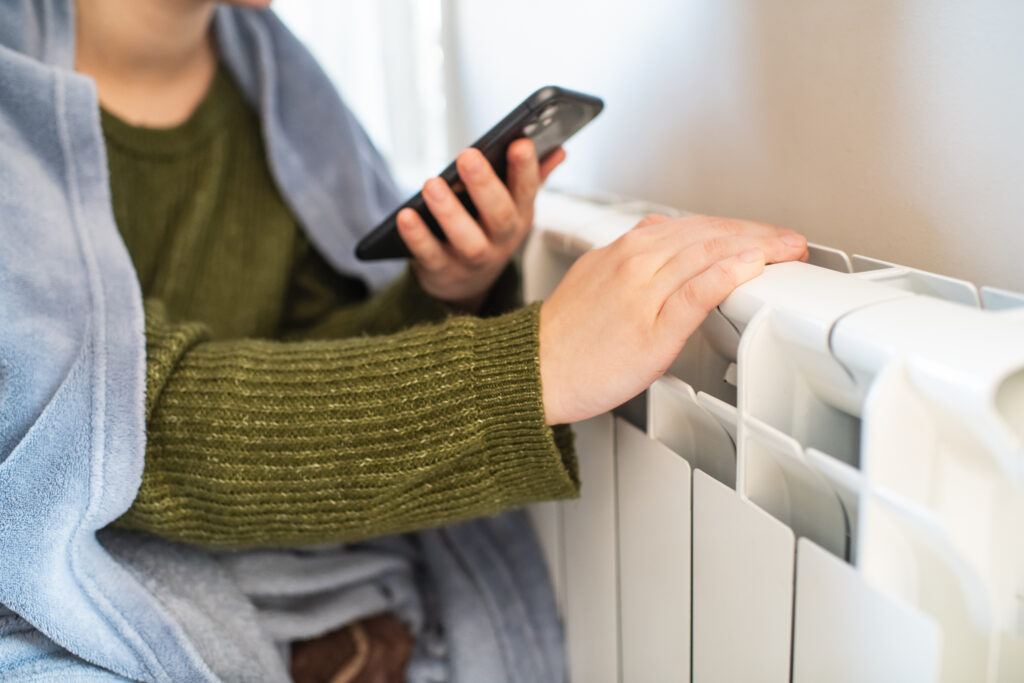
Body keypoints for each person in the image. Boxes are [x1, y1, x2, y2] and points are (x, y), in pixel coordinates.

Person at [0, 0, 808, 680]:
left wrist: (441, 290)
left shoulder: (276, 81)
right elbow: (117, 433)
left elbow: (305, 349)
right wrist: (533, 367)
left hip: (260, 563)